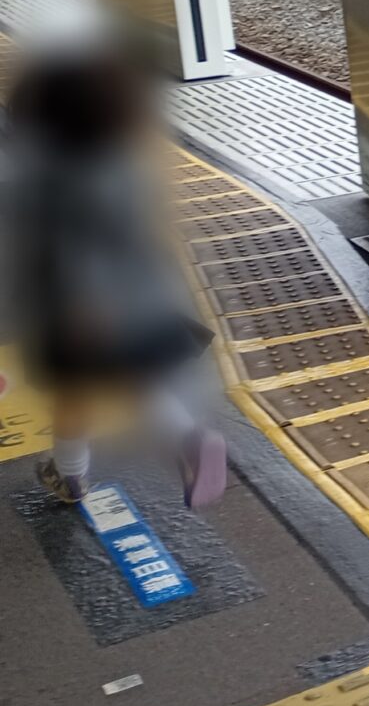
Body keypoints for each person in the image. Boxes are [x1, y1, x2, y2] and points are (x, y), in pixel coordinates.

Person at [4, 40, 225, 507]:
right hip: (140, 294)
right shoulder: (122, 159)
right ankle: (188, 437)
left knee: (72, 388)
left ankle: (72, 475)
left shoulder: (50, 173)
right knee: (136, 375)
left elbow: (70, 246)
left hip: (79, 303)